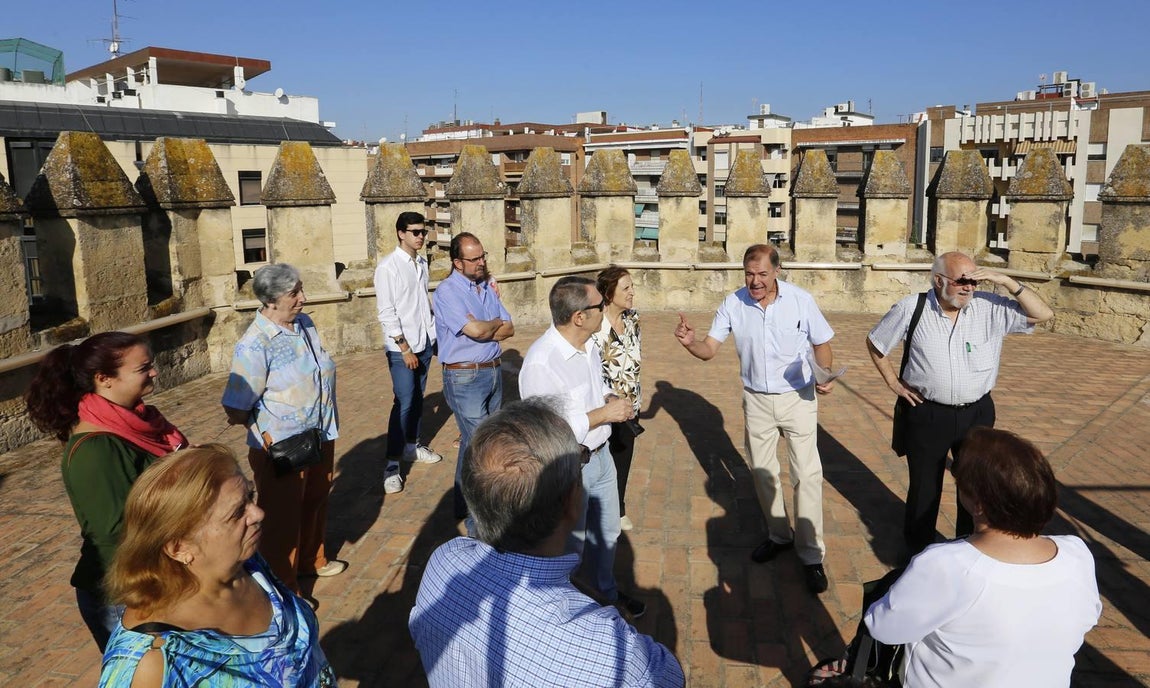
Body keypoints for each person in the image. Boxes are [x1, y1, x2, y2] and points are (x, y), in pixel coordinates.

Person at [409, 399, 684, 687]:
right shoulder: (614, 653)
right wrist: (613, 612)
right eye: (581, 458)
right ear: (571, 502)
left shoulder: (443, 561)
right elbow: (669, 677)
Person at [864, 427, 1101, 687]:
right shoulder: (1076, 554)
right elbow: (1088, 616)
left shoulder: (946, 564)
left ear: (978, 504)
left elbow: (883, 627)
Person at [866, 251, 1055, 556]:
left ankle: (970, 544)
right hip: (926, 412)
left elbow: (1043, 315)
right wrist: (892, 382)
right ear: (938, 280)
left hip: (977, 413)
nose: (969, 287)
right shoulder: (911, 308)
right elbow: (876, 343)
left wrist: (1004, 280)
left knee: (977, 484)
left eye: (973, 281)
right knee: (925, 487)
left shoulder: (989, 308)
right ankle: (919, 549)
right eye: (961, 281)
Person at [99, 445, 336, 687]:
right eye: (236, 513)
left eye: (250, 496)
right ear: (179, 548)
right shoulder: (151, 664)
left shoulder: (248, 563)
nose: (258, 513)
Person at [675, 243, 836, 595]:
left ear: (777, 271)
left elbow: (822, 341)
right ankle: (779, 536)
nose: (755, 281)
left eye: (763, 274)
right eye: (749, 274)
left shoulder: (800, 300)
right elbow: (709, 350)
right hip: (757, 400)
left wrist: (823, 374)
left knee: (807, 475)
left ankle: (811, 555)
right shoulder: (734, 303)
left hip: (798, 398)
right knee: (763, 475)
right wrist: (690, 342)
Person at [25, 331, 187, 652]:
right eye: (143, 368)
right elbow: (115, 534)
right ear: (104, 379)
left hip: (159, 575)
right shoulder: (95, 449)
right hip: (126, 593)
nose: (154, 372)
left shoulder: (140, 422)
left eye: (151, 365)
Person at [519, 276, 646, 618]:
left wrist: (606, 396)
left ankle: (605, 596)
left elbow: (594, 385)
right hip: (570, 466)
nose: (604, 310)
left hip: (602, 458)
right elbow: (545, 429)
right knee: (569, 546)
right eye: (598, 306)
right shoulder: (541, 363)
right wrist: (604, 413)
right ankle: (571, 612)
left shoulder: (588, 345)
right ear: (579, 316)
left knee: (607, 535)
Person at [222, 263, 346, 594]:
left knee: (316, 498)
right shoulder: (255, 343)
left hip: (319, 431)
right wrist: (263, 425)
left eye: (301, 289)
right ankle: (283, 589)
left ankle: (311, 561)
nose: (303, 298)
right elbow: (236, 405)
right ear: (272, 300)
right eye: (295, 293)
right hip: (282, 444)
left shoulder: (304, 323)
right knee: (281, 518)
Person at [433, 232, 514, 520]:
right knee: (484, 444)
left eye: (483, 256)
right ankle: (478, 520)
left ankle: (461, 504)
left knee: (472, 443)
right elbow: (478, 332)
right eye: (474, 258)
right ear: (457, 262)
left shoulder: (486, 288)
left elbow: (509, 328)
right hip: (464, 379)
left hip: (492, 372)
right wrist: (491, 325)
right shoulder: (447, 292)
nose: (481, 262)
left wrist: (486, 325)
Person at [374, 210, 442, 495]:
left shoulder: (421, 263)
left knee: (417, 399)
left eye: (423, 232)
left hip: (424, 342)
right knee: (403, 402)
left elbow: (421, 302)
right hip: (403, 348)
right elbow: (386, 313)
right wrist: (404, 348)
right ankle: (391, 466)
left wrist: (433, 336)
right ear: (401, 233)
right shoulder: (388, 268)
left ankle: (412, 447)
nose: (421, 237)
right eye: (415, 232)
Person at [590, 266, 642, 532]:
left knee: (623, 459)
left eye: (632, 286)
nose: (632, 292)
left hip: (631, 405)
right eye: (626, 288)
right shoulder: (594, 327)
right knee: (599, 462)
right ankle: (596, 512)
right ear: (609, 294)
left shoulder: (633, 319)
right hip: (603, 407)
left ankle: (618, 510)